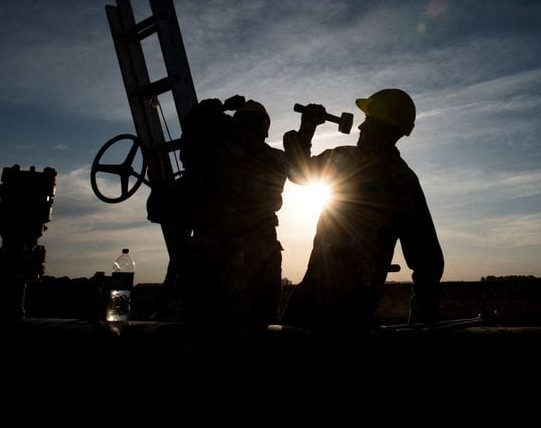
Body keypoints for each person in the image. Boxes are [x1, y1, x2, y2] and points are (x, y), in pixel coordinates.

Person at [281, 88, 443, 329]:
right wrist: (420, 323)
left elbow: (296, 172)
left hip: (315, 303)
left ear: (383, 128)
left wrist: (307, 128)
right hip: (355, 312)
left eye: (367, 121)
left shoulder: (345, 160)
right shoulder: (404, 181)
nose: (360, 127)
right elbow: (428, 261)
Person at [152, 96, 286, 330]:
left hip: (216, 254)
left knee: (208, 329)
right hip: (257, 253)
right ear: (264, 128)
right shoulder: (272, 159)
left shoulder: (214, 152)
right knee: (258, 330)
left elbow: (164, 207)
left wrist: (218, 108)